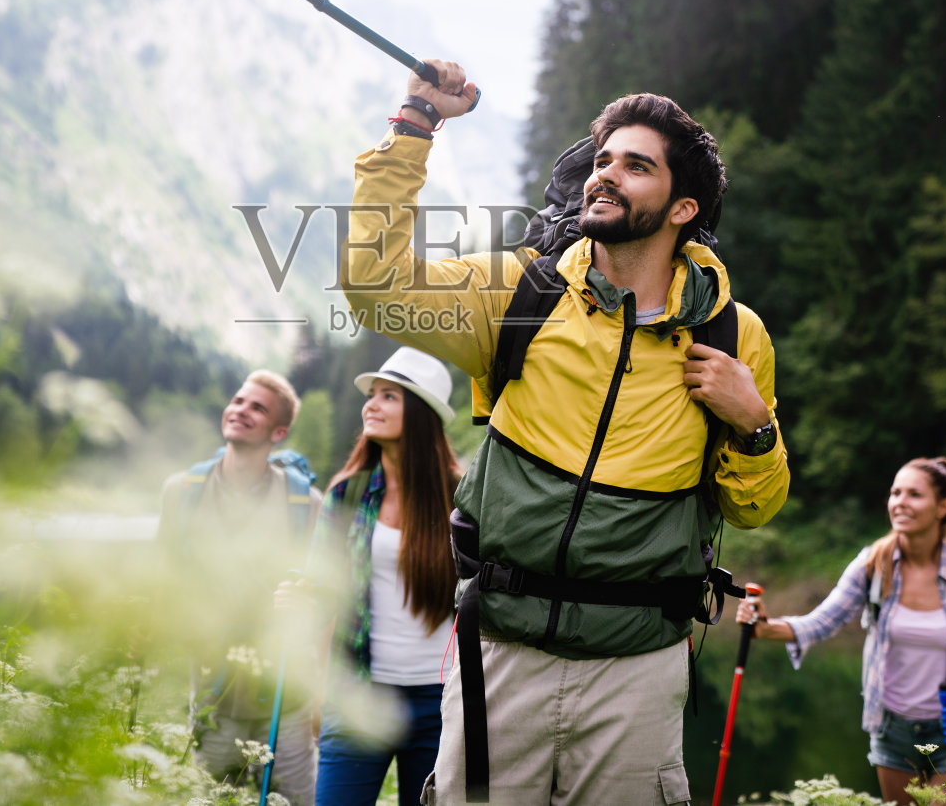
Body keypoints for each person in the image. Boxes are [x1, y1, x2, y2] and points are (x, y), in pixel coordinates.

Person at [339, 60, 790, 805]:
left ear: (681, 208)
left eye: (636, 165)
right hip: (499, 649)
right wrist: (416, 121)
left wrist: (754, 425)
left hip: (638, 667)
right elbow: (373, 283)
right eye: (603, 159)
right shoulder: (519, 292)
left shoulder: (734, 336)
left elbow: (753, 508)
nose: (605, 176)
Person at [734, 457, 946, 805]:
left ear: (943, 506)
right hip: (891, 730)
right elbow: (823, 621)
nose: (900, 502)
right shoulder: (873, 564)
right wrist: (766, 628)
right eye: (895, 493)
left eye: (914, 494)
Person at [305, 346, 464, 806]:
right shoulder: (347, 493)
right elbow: (324, 597)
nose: (370, 405)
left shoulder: (463, 496)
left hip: (440, 704)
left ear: (419, 412)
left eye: (388, 396)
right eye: (371, 395)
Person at [156, 371, 322, 806]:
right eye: (239, 400)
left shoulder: (306, 502)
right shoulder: (181, 492)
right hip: (214, 693)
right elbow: (162, 582)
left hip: (289, 695)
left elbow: (327, 597)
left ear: (279, 431)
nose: (241, 410)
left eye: (258, 407)